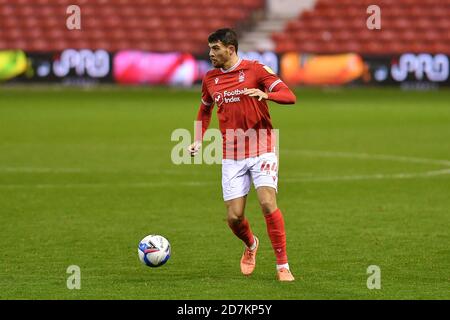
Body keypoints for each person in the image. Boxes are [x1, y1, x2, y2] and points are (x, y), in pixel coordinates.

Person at [188, 28, 297, 281]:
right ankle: (251, 244)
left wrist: (265, 94)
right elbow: (204, 111)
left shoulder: (256, 69)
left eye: (215, 48)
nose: (210, 53)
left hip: (262, 146)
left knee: (268, 203)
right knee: (234, 217)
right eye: (209, 48)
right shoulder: (210, 79)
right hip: (232, 152)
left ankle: (283, 265)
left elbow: (290, 96)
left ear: (230, 49)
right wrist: (197, 139)